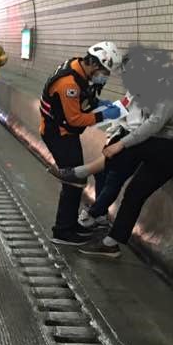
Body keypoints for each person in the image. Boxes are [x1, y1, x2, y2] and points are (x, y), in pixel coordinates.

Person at [77, 47, 173, 259]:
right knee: (135, 191)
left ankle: (83, 173)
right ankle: (111, 243)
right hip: (170, 149)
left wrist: (120, 145)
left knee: (132, 148)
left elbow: (153, 124)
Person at [40, 42, 125, 245]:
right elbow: (74, 119)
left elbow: (82, 98)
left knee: (77, 179)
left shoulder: (78, 68)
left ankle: (69, 224)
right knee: (73, 181)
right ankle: (62, 231)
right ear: (94, 64)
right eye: (104, 72)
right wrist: (104, 115)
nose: (105, 77)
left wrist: (97, 103)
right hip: (58, 134)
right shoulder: (68, 83)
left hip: (65, 133)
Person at [50, 89, 147, 228]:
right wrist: (111, 136)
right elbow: (121, 112)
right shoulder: (133, 91)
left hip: (136, 140)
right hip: (122, 135)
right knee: (101, 173)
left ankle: (93, 212)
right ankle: (100, 214)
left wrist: (121, 142)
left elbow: (146, 126)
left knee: (115, 177)